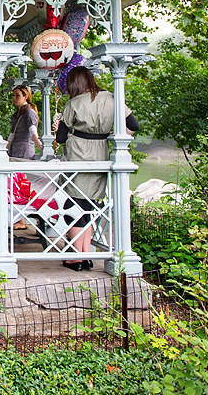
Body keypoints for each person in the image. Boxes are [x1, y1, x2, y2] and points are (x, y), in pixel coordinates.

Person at [55, 66, 140, 271]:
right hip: (100, 153)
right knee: (89, 206)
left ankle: (76, 258)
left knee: (73, 207)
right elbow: (134, 125)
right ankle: (86, 255)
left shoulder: (73, 103)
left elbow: (60, 138)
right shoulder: (112, 98)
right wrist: (109, 132)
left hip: (78, 156)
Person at [6, 85, 44, 159]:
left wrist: (42, 149)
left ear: (25, 97)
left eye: (17, 95)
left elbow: (33, 133)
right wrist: (4, 151)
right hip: (14, 152)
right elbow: (11, 136)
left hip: (24, 153)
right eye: (13, 95)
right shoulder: (17, 115)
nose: (14, 98)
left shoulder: (29, 112)